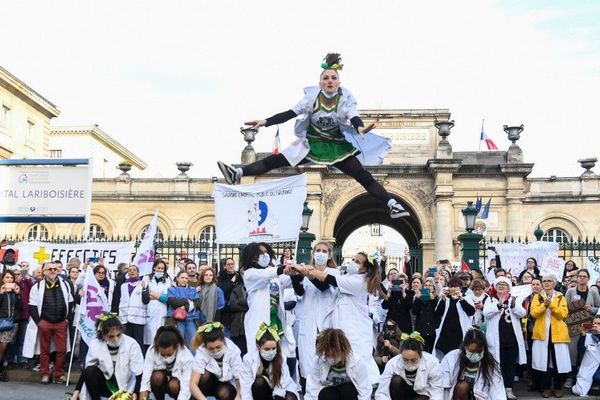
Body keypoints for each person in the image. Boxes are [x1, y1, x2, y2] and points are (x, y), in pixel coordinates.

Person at [217, 52, 409, 220]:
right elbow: (288, 114)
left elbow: (354, 116)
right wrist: (265, 122)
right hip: (313, 143)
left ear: (338, 83)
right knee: (276, 160)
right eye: (326, 78)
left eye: (333, 78)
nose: (330, 81)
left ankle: (392, 204)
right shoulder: (311, 98)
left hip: (336, 145)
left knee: (362, 175)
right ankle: (238, 173)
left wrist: (359, 128)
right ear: (320, 83)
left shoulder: (345, 99)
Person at [307, 251, 381, 385]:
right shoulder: (347, 277)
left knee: (357, 360)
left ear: (364, 269)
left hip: (354, 328)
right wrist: (310, 276)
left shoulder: (359, 280)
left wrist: (308, 270)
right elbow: (324, 286)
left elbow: (330, 279)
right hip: (341, 325)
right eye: (352, 259)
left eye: (357, 262)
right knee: (341, 360)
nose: (352, 262)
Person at [289, 241, 340, 380]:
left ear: (329, 256)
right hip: (309, 322)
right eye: (318, 250)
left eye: (324, 251)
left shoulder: (334, 273)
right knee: (307, 364)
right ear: (313, 253)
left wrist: (307, 274)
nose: (320, 254)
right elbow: (300, 292)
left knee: (328, 362)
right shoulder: (306, 270)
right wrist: (294, 275)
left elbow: (323, 287)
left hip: (327, 322)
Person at [70, 313, 143, 400]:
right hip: (105, 386)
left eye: (118, 335)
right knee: (91, 371)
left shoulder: (131, 344)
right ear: (103, 335)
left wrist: (135, 393)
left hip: (125, 387)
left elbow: (139, 373)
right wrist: (76, 393)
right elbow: (87, 371)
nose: (116, 339)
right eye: (111, 336)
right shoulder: (95, 344)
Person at [24, 261, 73, 384]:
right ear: (44, 271)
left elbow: (70, 302)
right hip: (45, 322)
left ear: (58, 271)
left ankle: (59, 374)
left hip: (61, 322)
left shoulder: (65, 284)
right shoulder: (38, 286)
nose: (52, 271)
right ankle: (45, 373)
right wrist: (39, 322)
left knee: (62, 349)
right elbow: (32, 306)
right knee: (44, 350)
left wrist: (67, 318)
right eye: (49, 269)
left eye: (55, 269)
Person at [241, 242, 292, 357]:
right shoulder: (250, 274)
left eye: (266, 252)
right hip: (259, 323)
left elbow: (287, 281)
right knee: (258, 356)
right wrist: (282, 269)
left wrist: (297, 273)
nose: (265, 255)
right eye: (260, 253)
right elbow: (265, 275)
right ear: (252, 257)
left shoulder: (273, 275)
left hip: (275, 322)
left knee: (278, 356)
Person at [482, 277, 527, 400]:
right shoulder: (490, 299)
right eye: (499, 284)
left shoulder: (513, 299)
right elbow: (486, 313)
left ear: (508, 287)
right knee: (497, 365)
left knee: (510, 365)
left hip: (512, 338)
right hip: (497, 339)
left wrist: (512, 305)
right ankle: (498, 389)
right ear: (495, 287)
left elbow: (522, 313)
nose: (501, 286)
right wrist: (499, 305)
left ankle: (508, 388)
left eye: (504, 284)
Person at [531, 274, 571, 398]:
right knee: (544, 362)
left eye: (549, 281)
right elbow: (534, 313)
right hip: (542, 334)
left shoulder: (560, 297)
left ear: (554, 283)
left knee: (557, 361)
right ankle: (546, 388)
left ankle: (558, 387)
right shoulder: (538, 297)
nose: (546, 283)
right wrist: (544, 305)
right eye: (544, 281)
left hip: (557, 334)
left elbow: (562, 314)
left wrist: (551, 305)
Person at [305, 328, 371, 400]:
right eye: (328, 355)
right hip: (330, 392)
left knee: (348, 390)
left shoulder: (358, 363)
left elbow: (364, 391)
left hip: (349, 394)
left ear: (343, 351)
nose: (330, 358)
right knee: (327, 395)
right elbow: (312, 386)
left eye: (333, 355)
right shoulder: (320, 361)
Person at [375, 333, 443, 400]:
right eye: (405, 360)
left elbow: (437, 390)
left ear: (421, 355)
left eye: (413, 360)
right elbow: (382, 391)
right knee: (396, 380)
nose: (409, 363)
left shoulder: (432, 362)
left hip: (422, 394)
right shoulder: (393, 363)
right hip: (401, 393)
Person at [440, 328, 505, 399]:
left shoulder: (490, 363)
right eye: (471, 351)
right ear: (464, 346)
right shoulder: (451, 358)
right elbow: (444, 386)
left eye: (479, 351)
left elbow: (498, 390)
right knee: (462, 386)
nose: (475, 354)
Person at [240, 322, 299, 400]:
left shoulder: (281, 358)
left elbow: (284, 382)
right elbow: (246, 387)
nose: (271, 352)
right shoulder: (248, 359)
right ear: (258, 347)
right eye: (267, 349)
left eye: (274, 348)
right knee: (259, 382)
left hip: (279, 390)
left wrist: (278, 396)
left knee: (290, 398)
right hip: (261, 393)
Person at [189, 322, 243, 400]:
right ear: (205, 345)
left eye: (218, 347)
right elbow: (193, 384)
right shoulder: (201, 351)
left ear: (224, 341)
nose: (215, 351)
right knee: (204, 375)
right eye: (211, 348)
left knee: (224, 393)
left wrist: (239, 396)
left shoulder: (233, 350)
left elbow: (239, 376)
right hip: (207, 384)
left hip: (226, 383)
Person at [565, 268, 600, 386]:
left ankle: (585, 377)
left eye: (584, 276)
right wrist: (575, 307)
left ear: (588, 279)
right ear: (577, 278)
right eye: (580, 276)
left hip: (589, 326)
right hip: (574, 326)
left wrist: (592, 309)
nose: (582, 278)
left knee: (587, 351)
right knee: (572, 350)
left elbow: (599, 309)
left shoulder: (593, 292)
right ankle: (571, 377)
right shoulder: (570, 291)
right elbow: (565, 308)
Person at [140, 326, 193, 400]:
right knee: (157, 377)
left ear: (176, 347)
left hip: (177, 383)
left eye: (169, 354)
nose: (166, 357)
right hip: (160, 380)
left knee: (174, 385)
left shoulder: (186, 356)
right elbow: (146, 378)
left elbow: (186, 386)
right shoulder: (152, 350)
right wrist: (143, 398)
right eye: (162, 354)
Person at [433, 277, 475, 361]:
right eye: (451, 286)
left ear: (460, 288)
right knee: (446, 355)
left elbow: (471, 312)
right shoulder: (446, 299)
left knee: (460, 354)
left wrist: (461, 299)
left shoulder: (466, 298)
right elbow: (438, 313)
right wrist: (443, 299)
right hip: (446, 332)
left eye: (456, 286)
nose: (453, 288)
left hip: (460, 332)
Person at [167, 271, 203, 349]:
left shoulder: (192, 289)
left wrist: (184, 306)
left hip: (190, 319)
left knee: (193, 342)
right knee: (179, 343)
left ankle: (193, 360)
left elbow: (198, 303)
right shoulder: (171, 289)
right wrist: (188, 301)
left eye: (186, 278)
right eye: (182, 278)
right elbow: (174, 303)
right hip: (177, 319)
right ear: (177, 278)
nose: (184, 280)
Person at [142, 259, 173, 348]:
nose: (160, 270)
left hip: (161, 311)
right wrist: (159, 296)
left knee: (160, 338)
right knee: (149, 339)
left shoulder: (167, 280)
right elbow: (144, 296)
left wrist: (151, 293)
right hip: (149, 310)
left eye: (162, 268)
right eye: (158, 268)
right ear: (154, 268)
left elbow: (166, 298)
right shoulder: (146, 278)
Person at [118, 264, 146, 351]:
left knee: (138, 342)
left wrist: (145, 289)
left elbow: (146, 300)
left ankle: (141, 361)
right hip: (125, 318)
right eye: (130, 270)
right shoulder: (123, 285)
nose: (132, 272)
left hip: (138, 317)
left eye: (134, 270)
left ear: (138, 272)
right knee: (126, 342)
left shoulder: (142, 284)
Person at [572, 315, 600, 396]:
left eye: (599, 323)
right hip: (589, 368)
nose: (596, 325)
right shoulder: (587, 336)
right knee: (579, 390)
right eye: (594, 323)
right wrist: (583, 335)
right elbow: (580, 350)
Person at [0, 270, 20, 381]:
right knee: (1, 348)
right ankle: (2, 370)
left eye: (11, 278)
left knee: (3, 347)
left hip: (11, 323)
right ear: (3, 279)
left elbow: (20, 308)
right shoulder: (1, 291)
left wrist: (18, 295)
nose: (9, 280)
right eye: (7, 277)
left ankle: (2, 370)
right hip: (1, 321)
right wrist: (1, 293)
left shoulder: (14, 293)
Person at [218, 257, 242, 337]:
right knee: (227, 333)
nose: (230, 266)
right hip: (226, 309)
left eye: (232, 264)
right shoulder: (221, 277)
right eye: (228, 264)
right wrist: (231, 281)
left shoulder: (239, 276)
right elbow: (222, 290)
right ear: (225, 266)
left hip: (238, 307)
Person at [412, 277, 438, 352]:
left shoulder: (436, 299)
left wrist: (433, 300)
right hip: (421, 330)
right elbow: (415, 312)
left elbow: (438, 312)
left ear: (433, 288)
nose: (427, 287)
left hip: (432, 331)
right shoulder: (420, 299)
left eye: (430, 285)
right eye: (426, 285)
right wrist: (417, 299)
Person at [229, 270, 249, 356]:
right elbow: (232, 305)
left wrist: (241, 301)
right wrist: (248, 306)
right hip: (239, 327)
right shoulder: (237, 289)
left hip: (253, 326)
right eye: (243, 273)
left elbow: (256, 304)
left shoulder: (258, 288)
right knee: (240, 352)